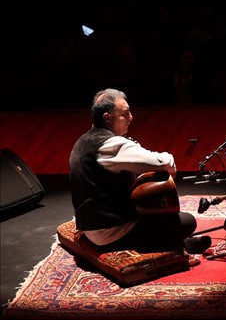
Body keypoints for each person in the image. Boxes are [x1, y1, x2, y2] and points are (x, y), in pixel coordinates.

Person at [69, 88, 211, 254]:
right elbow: (160, 162)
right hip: (111, 231)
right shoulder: (110, 145)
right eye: (125, 113)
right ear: (108, 118)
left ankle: (179, 243)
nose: (131, 117)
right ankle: (177, 244)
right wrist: (169, 162)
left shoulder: (83, 140)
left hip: (90, 226)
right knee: (187, 221)